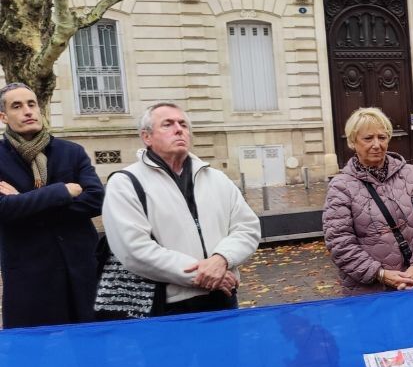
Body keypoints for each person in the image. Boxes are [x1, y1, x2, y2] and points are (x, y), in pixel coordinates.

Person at [101, 102, 261, 316]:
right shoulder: (125, 183)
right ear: (146, 137)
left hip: (223, 296)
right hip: (168, 305)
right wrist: (203, 275)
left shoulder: (216, 179)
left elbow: (247, 228)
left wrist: (221, 259)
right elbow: (134, 249)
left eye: (183, 124)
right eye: (167, 124)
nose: (179, 129)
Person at [0, 82, 104, 328]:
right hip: (28, 279)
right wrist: (61, 191)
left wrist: (24, 202)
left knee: (91, 345)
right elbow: (3, 209)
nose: (28, 111)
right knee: (32, 350)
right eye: (17, 106)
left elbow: (96, 199)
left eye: (32, 104)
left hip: (81, 274)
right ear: (3, 117)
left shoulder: (71, 152)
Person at [323, 107, 413, 294]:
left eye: (382, 137)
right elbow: (340, 241)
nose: (376, 144)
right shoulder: (340, 186)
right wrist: (380, 274)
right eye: (368, 138)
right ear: (353, 141)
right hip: (369, 291)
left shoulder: (412, 175)